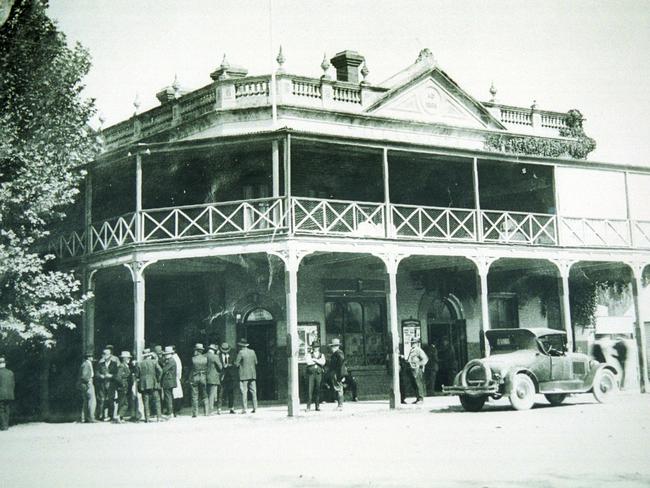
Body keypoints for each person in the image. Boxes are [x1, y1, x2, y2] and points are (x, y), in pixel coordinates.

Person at [136, 348, 162, 422]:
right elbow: (160, 371)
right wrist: (158, 379)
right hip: (153, 383)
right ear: (150, 356)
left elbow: (137, 375)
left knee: (146, 401)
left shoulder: (140, 363)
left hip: (143, 384)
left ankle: (147, 418)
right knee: (157, 400)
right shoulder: (154, 362)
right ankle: (159, 417)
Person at [235, 338, 258, 414]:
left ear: (241, 346)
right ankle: (255, 407)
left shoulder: (241, 353)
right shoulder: (252, 351)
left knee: (244, 392)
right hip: (252, 374)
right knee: (253, 391)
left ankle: (244, 409)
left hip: (243, 375)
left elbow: (237, 364)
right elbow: (256, 362)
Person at [96, 347, 118, 421]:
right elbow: (96, 373)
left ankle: (111, 416)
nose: (105, 356)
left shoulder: (114, 364)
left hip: (111, 384)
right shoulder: (100, 364)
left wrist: (111, 376)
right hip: (102, 384)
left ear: (110, 355)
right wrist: (100, 376)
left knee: (111, 400)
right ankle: (101, 415)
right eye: (104, 354)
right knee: (101, 400)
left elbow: (117, 374)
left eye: (106, 354)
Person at [189, 343, 209, 417]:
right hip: (203, 377)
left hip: (195, 377)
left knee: (194, 395)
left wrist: (190, 379)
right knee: (205, 394)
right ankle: (206, 412)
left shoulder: (193, 359)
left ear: (196, 351)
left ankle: (195, 413)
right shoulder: (205, 359)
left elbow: (191, 370)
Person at [305, 341, 326, 411]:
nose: (316, 348)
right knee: (309, 390)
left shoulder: (321, 355)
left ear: (319, 348)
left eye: (317, 347)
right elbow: (308, 362)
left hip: (318, 374)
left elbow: (323, 362)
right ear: (312, 348)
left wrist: (314, 360)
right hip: (311, 374)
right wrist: (318, 360)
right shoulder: (309, 354)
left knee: (318, 389)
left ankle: (317, 406)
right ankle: (308, 407)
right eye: (314, 347)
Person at [407, 338, 428, 404]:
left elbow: (425, 359)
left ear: (417, 343)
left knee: (418, 384)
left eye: (414, 342)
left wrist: (418, 364)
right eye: (412, 342)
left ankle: (421, 399)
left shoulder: (418, 350)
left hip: (417, 370)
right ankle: (417, 398)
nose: (412, 343)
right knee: (415, 384)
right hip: (412, 369)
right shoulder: (412, 350)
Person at [328, 338, 347, 411]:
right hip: (336, 373)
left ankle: (340, 405)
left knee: (339, 388)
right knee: (338, 388)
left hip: (337, 373)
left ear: (336, 346)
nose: (332, 348)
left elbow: (341, 364)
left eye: (333, 346)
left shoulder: (338, 353)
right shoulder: (336, 353)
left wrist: (341, 374)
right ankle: (340, 405)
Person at [78, 351, 97, 423]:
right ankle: (91, 417)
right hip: (88, 383)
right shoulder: (87, 364)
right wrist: (88, 381)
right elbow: (84, 375)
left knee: (86, 401)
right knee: (92, 401)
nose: (92, 358)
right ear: (89, 357)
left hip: (85, 383)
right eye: (91, 356)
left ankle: (84, 417)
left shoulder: (86, 364)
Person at [115, 351, 133, 423]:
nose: (129, 359)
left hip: (125, 387)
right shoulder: (122, 366)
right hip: (123, 387)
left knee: (123, 402)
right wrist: (123, 384)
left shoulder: (125, 366)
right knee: (124, 403)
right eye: (128, 358)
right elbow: (118, 377)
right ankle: (119, 416)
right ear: (124, 359)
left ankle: (121, 417)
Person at [219, 342, 236, 414]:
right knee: (220, 392)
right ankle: (219, 408)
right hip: (222, 375)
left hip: (230, 376)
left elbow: (235, 364)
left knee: (231, 392)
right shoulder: (218, 355)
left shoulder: (232, 355)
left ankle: (231, 408)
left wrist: (230, 365)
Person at [160, 346, 177, 418]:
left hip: (168, 382)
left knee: (168, 397)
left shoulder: (171, 361)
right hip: (170, 381)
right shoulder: (170, 360)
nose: (165, 355)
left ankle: (170, 413)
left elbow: (164, 369)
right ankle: (171, 412)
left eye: (166, 354)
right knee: (169, 396)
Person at [206, 344, 223, 415]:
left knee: (206, 394)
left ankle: (206, 410)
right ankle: (210, 410)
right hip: (213, 377)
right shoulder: (215, 357)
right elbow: (220, 367)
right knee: (212, 394)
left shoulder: (204, 355)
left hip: (205, 377)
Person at [0, 357, 16, 431]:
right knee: (7, 409)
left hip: (1, 394)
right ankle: (6, 425)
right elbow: (13, 384)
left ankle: (3, 426)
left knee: (1, 410)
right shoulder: (10, 372)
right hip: (9, 394)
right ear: (5, 364)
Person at [171, 345, 183, 416]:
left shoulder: (175, 358)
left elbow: (179, 369)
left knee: (175, 394)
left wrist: (178, 377)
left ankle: (176, 410)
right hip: (175, 378)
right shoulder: (175, 358)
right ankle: (176, 410)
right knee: (176, 394)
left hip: (175, 378)